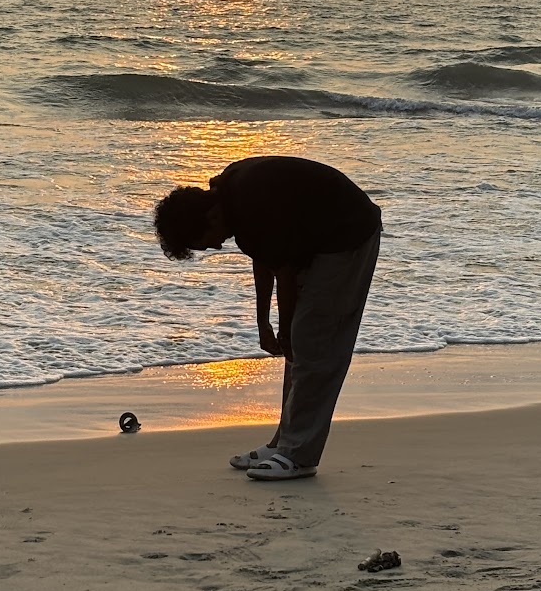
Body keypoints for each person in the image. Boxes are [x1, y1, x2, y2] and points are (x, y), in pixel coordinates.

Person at [153, 156, 382, 481]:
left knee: (312, 344)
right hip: (316, 241)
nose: (216, 246)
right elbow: (264, 258)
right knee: (302, 346)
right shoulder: (233, 201)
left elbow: (284, 273)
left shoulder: (253, 206)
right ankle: (283, 443)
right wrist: (264, 323)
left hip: (347, 237)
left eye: (205, 243)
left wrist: (286, 330)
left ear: (211, 216)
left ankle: (299, 455)